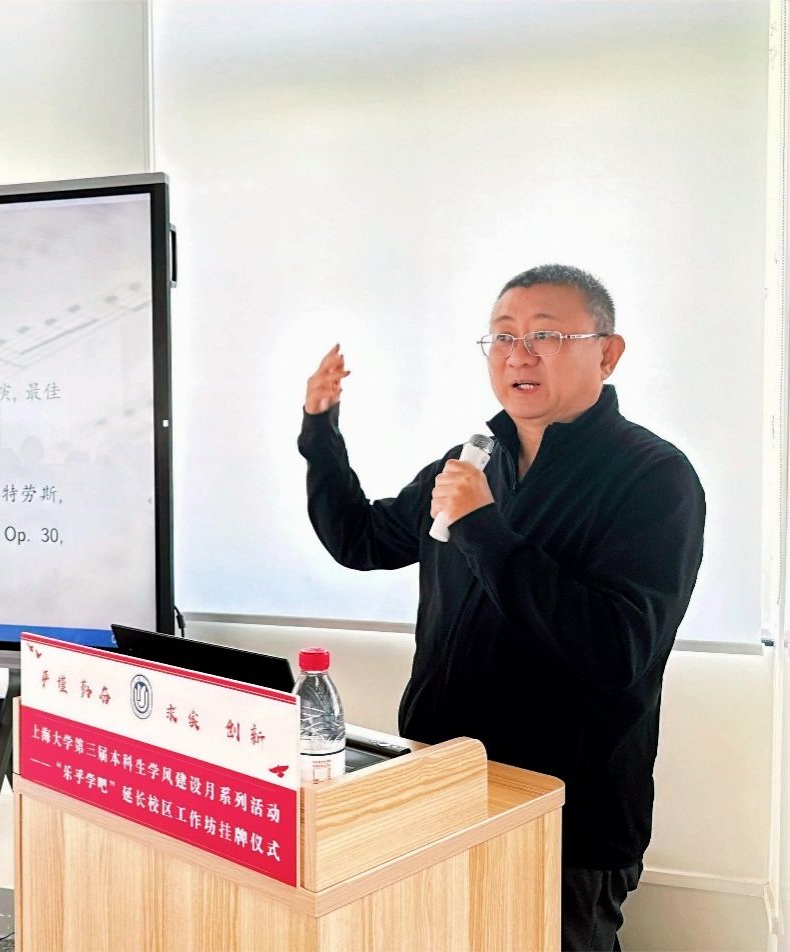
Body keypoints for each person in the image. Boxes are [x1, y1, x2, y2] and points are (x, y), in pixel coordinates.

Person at [298, 264, 705, 951]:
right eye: (503, 336)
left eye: (546, 335)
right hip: (443, 786)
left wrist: (484, 529)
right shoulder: (471, 462)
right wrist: (320, 430)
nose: (519, 354)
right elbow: (360, 539)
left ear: (607, 353)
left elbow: (617, 649)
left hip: (564, 818)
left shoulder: (654, 477)